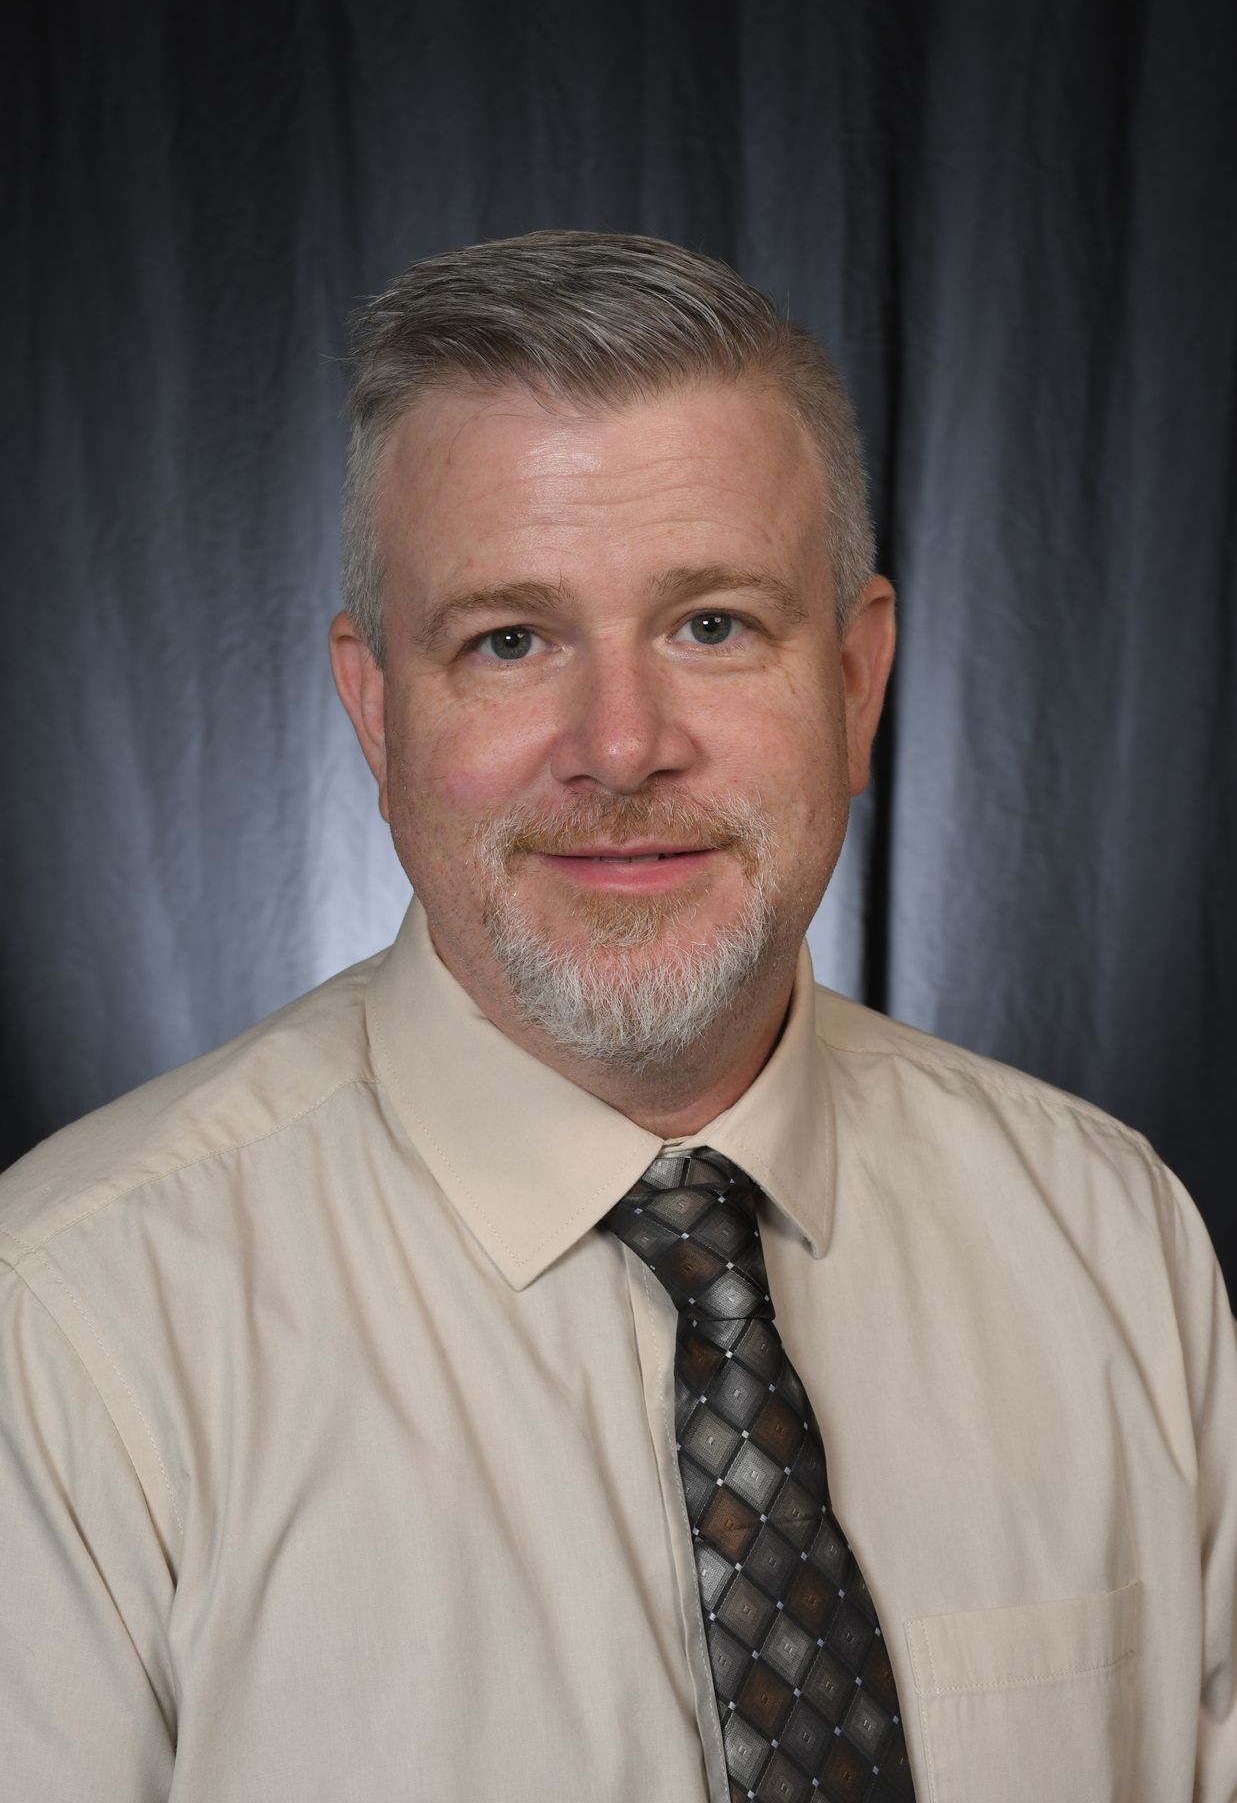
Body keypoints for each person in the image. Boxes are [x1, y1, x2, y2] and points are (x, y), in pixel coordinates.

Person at [1, 231, 1233, 1803]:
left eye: (711, 624)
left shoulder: (1113, 1242)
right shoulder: (69, 1335)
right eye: (509, 640)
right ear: (375, 709)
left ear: (854, 681)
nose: (623, 744)